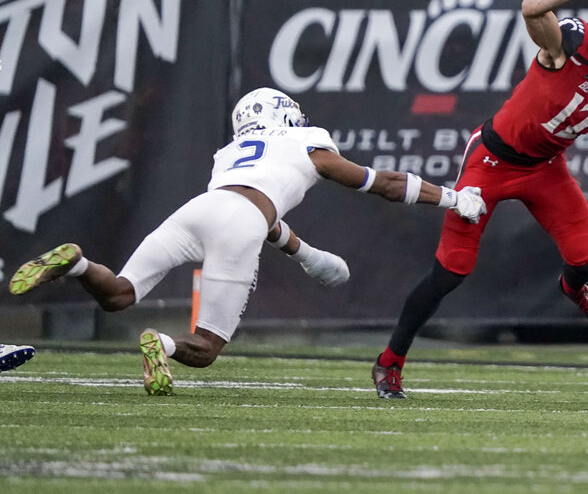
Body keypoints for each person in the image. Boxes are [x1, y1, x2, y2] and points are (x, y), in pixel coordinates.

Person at [9, 87, 487, 395]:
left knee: (119, 294)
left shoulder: (231, 152)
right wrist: (451, 198)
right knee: (207, 346)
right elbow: (377, 182)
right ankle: (164, 345)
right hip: (240, 224)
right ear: (286, 114)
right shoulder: (307, 141)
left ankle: (75, 265)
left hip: (199, 208)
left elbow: (266, 220)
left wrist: (306, 254)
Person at [371, 0, 588, 399]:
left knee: (585, 259)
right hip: (492, 159)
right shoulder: (572, 43)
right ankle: (390, 361)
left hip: (546, 167)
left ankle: (573, 289)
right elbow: (531, 8)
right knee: (451, 271)